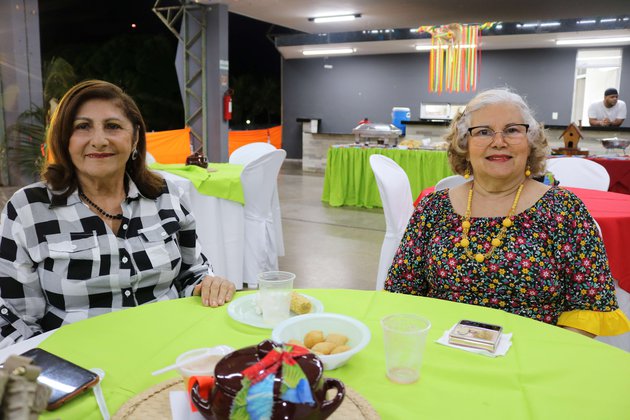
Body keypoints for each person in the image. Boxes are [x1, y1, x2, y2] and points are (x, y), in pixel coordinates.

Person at [0, 80, 236, 348]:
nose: (99, 141)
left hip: (170, 347)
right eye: (82, 127)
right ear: (64, 139)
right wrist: (49, 368)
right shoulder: (29, 209)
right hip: (77, 359)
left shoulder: (165, 195)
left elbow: (192, 271)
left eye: (113, 126)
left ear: (134, 138)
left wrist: (207, 285)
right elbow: (14, 318)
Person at [385, 88, 630, 338]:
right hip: (439, 347)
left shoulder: (563, 209)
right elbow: (401, 291)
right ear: (464, 145)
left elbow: (589, 305)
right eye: (483, 132)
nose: (499, 142)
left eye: (512, 130)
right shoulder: (433, 208)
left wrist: (548, 357)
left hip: (535, 353)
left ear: (530, 142)